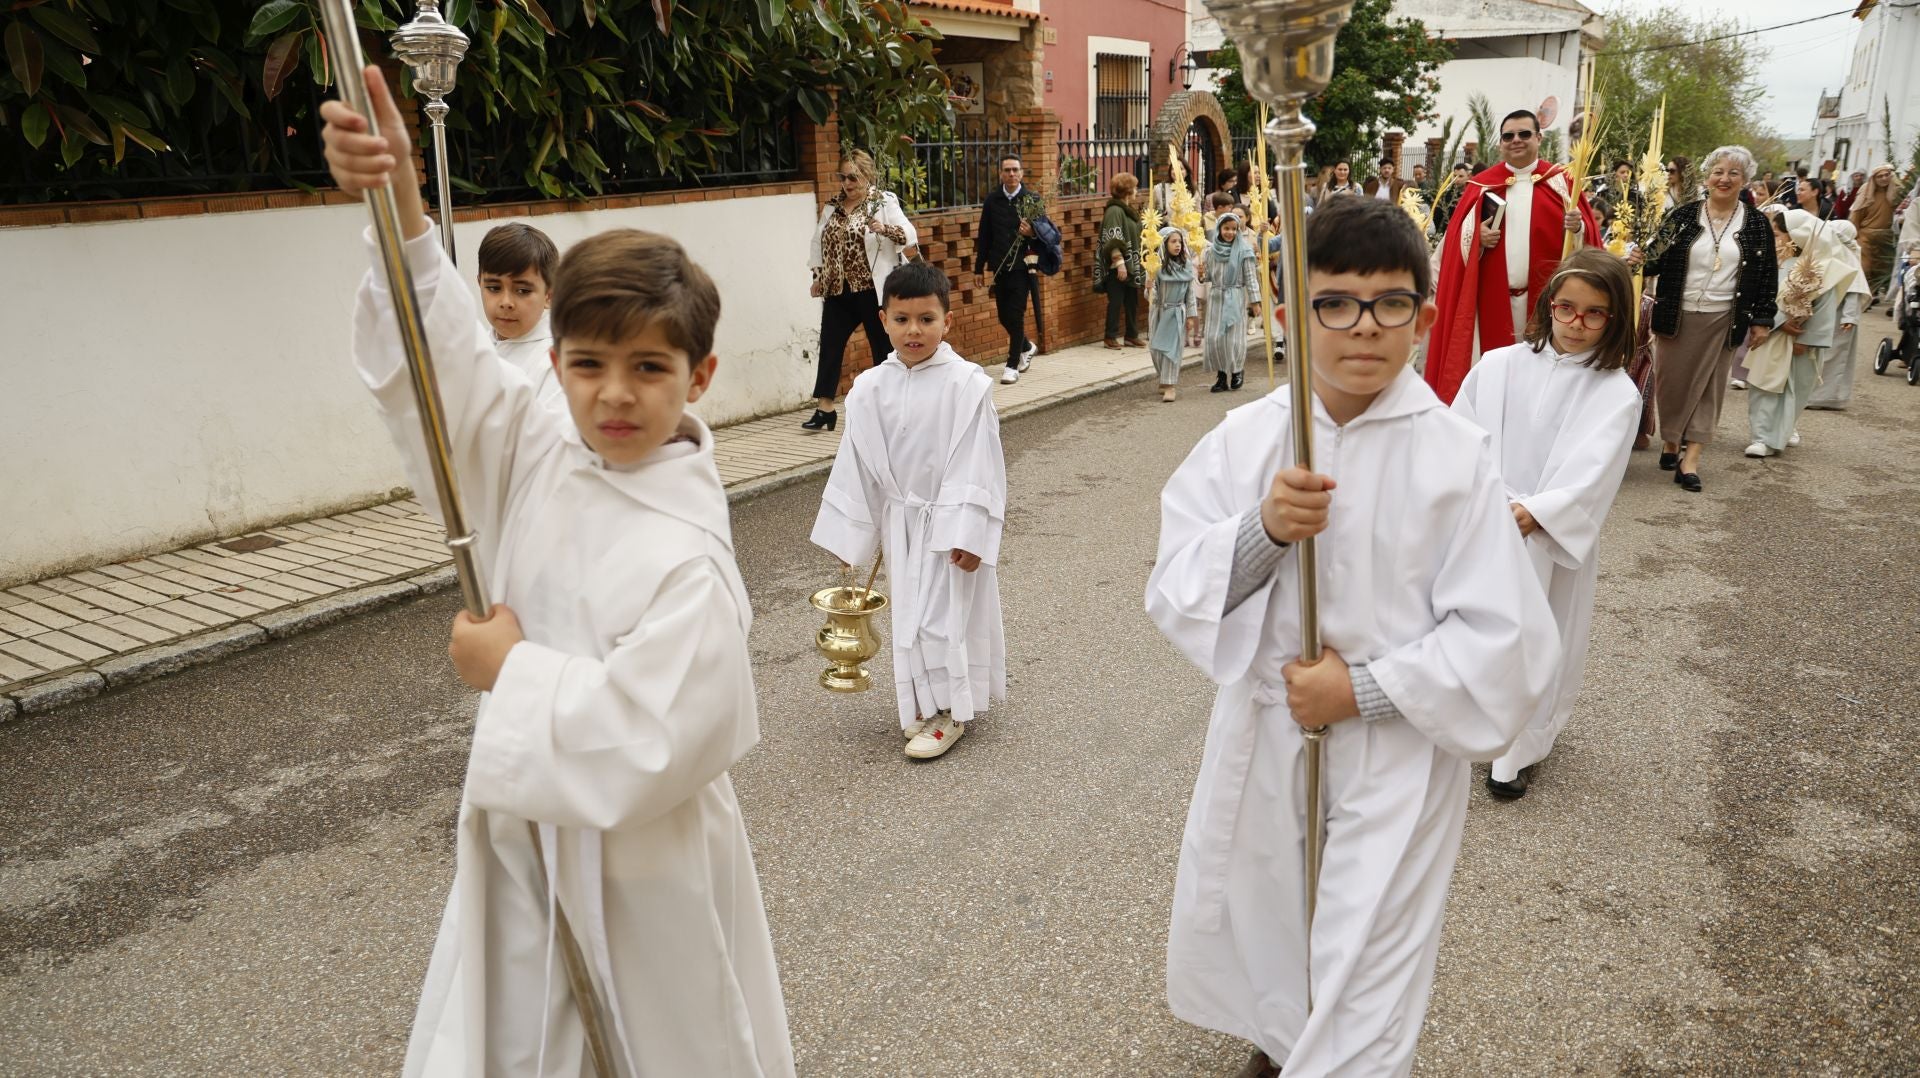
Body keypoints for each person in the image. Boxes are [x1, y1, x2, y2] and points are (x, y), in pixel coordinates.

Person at [319, 68, 795, 1076]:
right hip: (524, 845)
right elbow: (443, 367)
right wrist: (399, 196)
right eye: (588, 365)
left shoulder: (690, 560)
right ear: (556, 364)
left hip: (639, 884)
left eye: (649, 369)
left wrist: (515, 672)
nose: (613, 397)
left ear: (699, 376)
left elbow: (656, 738)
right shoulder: (544, 433)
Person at [1145, 196, 1558, 1078]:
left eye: (1389, 304)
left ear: (1425, 315)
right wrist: (1261, 532)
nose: (1363, 327)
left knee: (1369, 965)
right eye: (1335, 302)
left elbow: (1507, 642)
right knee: (1277, 925)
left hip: (1397, 755)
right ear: (1291, 313)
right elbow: (1175, 583)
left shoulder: (1456, 456)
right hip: (1267, 742)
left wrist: (1360, 690)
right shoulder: (1247, 440)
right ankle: (1289, 1041)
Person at [1449, 249, 1640, 800]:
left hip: (1541, 535)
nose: (1576, 323)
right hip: (1483, 521)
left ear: (1615, 318)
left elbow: (1596, 469)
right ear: (1547, 306)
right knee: (1470, 627)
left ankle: (1519, 749)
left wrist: (1539, 512)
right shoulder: (1500, 365)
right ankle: (1461, 722)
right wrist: (1475, 497)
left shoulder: (1616, 392)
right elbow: (1461, 432)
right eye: (1566, 308)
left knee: (1537, 636)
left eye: (1594, 313)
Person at [811, 260, 1008, 760]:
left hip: (946, 523)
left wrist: (968, 531)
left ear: (947, 321)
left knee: (944, 618)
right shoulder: (870, 388)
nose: (913, 330)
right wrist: (852, 536)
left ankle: (952, 714)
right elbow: (856, 461)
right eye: (902, 319)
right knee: (913, 619)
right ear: (883, 320)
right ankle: (923, 703)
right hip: (901, 523)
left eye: (925, 318)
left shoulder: (966, 385)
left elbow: (978, 461)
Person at [1426, 109, 1602, 402]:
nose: (1516, 140)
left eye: (1524, 134)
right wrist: (1477, 238)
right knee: (1496, 378)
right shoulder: (1481, 185)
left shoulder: (1562, 183)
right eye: (1508, 136)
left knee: (1539, 381)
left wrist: (1579, 227)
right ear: (1500, 143)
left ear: (1538, 138)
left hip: (1548, 302)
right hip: (1492, 300)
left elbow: (1592, 245)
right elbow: (1453, 243)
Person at [1642, 145, 1777, 492]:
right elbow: (1653, 260)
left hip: (1724, 317)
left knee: (1709, 389)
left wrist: (1762, 318)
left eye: (1734, 173)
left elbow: (1766, 275)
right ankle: (1672, 441)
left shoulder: (1757, 224)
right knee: (1672, 386)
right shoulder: (1683, 217)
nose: (1724, 178)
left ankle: (1691, 458)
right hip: (1677, 313)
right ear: (1706, 177)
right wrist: (1634, 254)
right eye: (1718, 171)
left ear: (1745, 180)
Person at [803, 149, 918, 432]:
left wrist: (883, 228)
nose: (847, 183)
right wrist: (818, 275)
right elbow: (819, 243)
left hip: (872, 289)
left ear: (868, 176)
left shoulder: (882, 201)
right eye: (843, 177)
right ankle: (825, 409)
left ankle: (892, 407)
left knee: (883, 349)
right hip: (839, 289)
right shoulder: (832, 207)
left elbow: (909, 235)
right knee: (830, 345)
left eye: (853, 177)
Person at [1745, 209, 1857, 457]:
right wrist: (1775, 323)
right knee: (1764, 387)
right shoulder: (1771, 264)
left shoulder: (1819, 268)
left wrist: (1806, 339)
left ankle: (1779, 435)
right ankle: (1761, 436)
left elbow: (1825, 308)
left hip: (1800, 344)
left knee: (1793, 391)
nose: (1774, 240)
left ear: (1795, 236)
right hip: (1772, 337)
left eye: (1777, 234)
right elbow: (1760, 298)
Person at [976, 154, 1045, 385]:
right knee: (1003, 315)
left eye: (1015, 170)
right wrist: (979, 269)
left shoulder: (1032, 199)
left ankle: (1012, 365)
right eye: (1007, 170)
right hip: (999, 267)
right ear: (1001, 174)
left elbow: (1046, 233)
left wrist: (1031, 233)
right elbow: (984, 235)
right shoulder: (992, 200)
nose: (1011, 174)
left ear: (1022, 173)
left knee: (1015, 315)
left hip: (1022, 268)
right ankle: (1026, 346)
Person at [476, 222, 561, 408]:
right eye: (494, 288)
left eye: (522, 290)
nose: (506, 302)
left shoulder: (553, 361)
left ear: (549, 295)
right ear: (479, 283)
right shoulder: (475, 345)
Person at [1805, 220, 1872, 410]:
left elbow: (1854, 292)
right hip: (1827, 314)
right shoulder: (1832, 255)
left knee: (1834, 357)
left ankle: (1828, 396)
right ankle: (1814, 394)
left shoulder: (1849, 259)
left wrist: (1850, 317)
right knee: (1820, 355)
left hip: (1841, 318)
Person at [1202, 211, 1259, 393]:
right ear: (1219, 229)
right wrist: (1202, 275)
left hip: (1235, 296)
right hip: (1217, 297)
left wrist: (1255, 301)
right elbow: (1209, 276)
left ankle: (1236, 371)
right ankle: (1221, 377)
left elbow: (1250, 278)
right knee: (1215, 338)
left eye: (1234, 229)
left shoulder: (1244, 251)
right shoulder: (1210, 252)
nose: (1230, 232)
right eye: (1226, 228)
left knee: (1234, 340)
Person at [1147, 226, 1199, 402]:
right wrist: (1148, 287)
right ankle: (1163, 378)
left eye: (1179, 241)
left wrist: (1191, 316)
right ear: (1164, 244)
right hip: (1159, 311)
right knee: (1156, 349)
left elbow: (1190, 293)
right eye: (1173, 241)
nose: (1177, 245)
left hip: (1177, 311)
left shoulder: (1186, 265)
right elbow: (1149, 295)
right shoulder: (1155, 266)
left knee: (1171, 349)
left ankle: (1170, 385)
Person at [1097, 173, 1146, 349]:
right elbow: (1112, 237)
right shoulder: (1114, 211)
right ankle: (1110, 337)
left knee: (1132, 300)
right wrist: (1120, 264)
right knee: (1116, 301)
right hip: (1117, 266)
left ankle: (1131, 335)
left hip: (1131, 263)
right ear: (1127, 190)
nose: (1136, 190)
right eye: (1134, 187)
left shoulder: (1127, 210)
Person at [1850, 164, 1900, 301]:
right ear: (1874, 178)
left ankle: (1873, 295)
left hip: (1886, 237)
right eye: (1880, 176)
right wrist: (1854, 234)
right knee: (1865, 268)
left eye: (1886, 175)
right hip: (1866, 236)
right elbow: (1856, 214)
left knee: (1880, 269)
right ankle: (1863, 297)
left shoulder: (1895, 192)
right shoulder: (1866, 193)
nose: (1884, 178)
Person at [1433, 161, 1472, 234]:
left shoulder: (1471, 194)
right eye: (1455, 176)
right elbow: (1437, 217)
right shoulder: (1446, 195)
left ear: (1468, 177)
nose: (1457, 179)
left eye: (1461, 176)